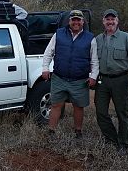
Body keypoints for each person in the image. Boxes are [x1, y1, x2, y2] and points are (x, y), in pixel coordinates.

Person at [42, 10, 99, 139]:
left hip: (80, 80)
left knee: (78, 106)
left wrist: (93, 76)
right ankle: (51, 131)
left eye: (79, 20)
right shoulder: (59, 34)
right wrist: (45, 68)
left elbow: (94, 60)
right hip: (59, 78)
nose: (76, 22)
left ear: (83, 22)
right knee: (56, 105)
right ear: (69, 21)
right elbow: (48, 53)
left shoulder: (90, 38)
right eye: (73, 19)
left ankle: (78, 132)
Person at [94, 9, 128, 154]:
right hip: (102, 81)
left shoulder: (126, 37)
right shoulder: (97, 39)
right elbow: (93, 61)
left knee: (122, 113)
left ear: (117, 21)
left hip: (121, 80)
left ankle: (124, 144)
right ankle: (112, 139)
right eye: (107, 19)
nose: (110, 22)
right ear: (103, 22)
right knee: (101, 112)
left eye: (112, 19)